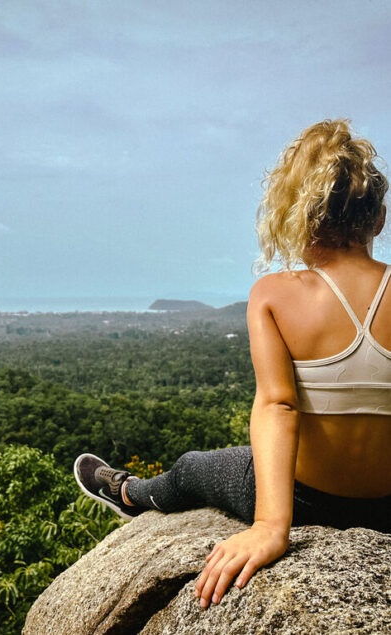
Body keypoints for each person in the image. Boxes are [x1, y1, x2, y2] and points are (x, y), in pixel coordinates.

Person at [74, 119, 391, 610]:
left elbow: (278, 406)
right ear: (378, 219)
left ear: (297, 217)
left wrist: (269, 527)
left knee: (193, 469)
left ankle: (129, 493)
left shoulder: (274, 295)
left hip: (308, 498)